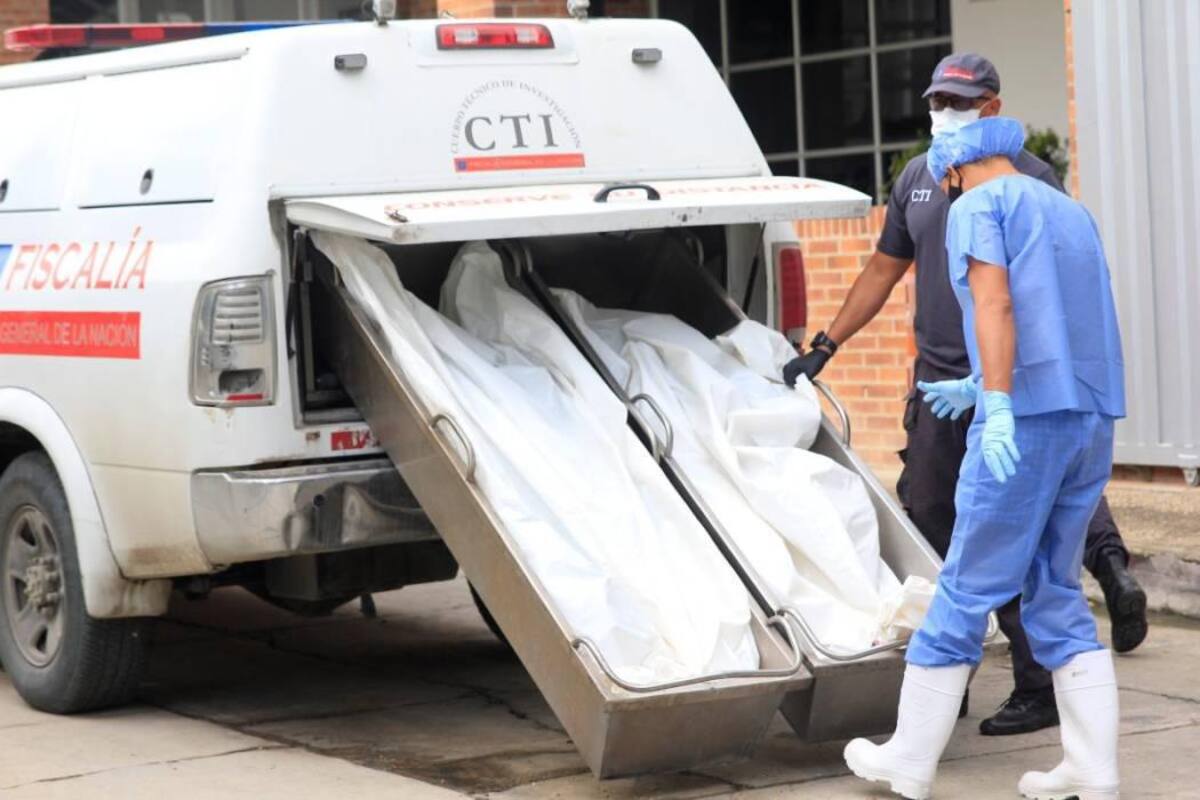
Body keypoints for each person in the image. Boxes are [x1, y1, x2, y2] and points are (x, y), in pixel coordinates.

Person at [784, 53, 1146, 737]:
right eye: (938, 99)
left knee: (1009, 559)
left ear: (992, 109)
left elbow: (1010, 304)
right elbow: (882, 270)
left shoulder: (1021, 186)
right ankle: (977, 701)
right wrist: (826, 345)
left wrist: (998, 394)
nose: (944, 113)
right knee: (933, 525)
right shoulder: (920, 179)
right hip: (947, 391)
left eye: (960, 101)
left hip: (1015, 396)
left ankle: (1012, 694)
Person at [842, 115, 1124, 800]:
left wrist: (993, 400)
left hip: (1022, 424)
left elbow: (994, 303)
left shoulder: (977, 205)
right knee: (1054, 589)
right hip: (1089, 418)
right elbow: (1070, 316)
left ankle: (909, 760)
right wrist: (984, 384)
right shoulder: (1069, 209)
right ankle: (1093, 770)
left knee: (965, 584)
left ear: (952, 171)